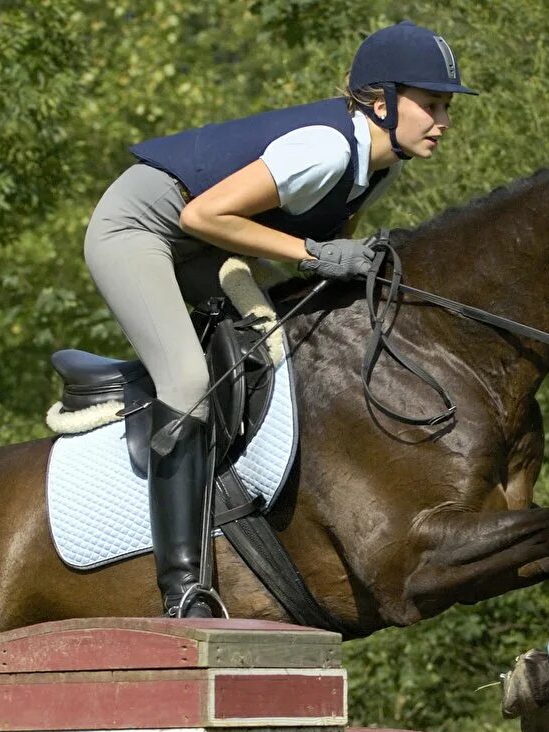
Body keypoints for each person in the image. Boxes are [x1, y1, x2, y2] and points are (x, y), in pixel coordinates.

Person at [83, 20, 475, 618]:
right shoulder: (326, 147)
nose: (444, 120)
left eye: (446, 105)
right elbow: (201, 215)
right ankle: (183, 586)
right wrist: (318, 255)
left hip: (204, 244)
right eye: (431, 104)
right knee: (188, 383)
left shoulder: (381, 162)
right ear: (382, 102)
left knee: (282, 346)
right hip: (140, 228)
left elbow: (321, 228)